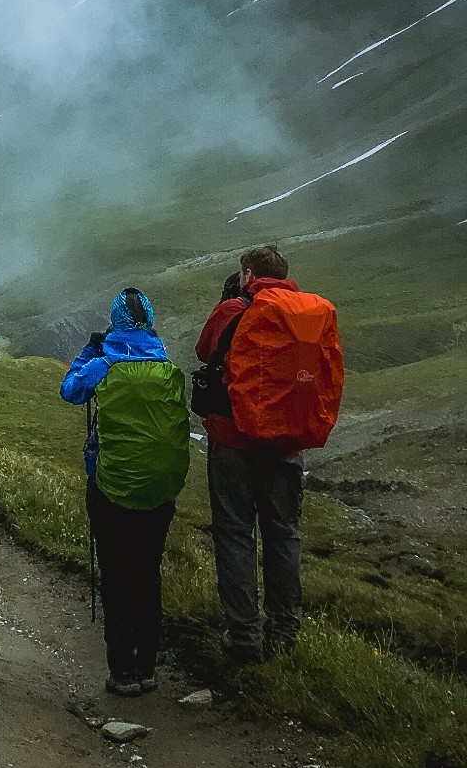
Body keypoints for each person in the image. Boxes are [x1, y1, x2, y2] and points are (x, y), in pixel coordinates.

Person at [194, 243, 343, 663]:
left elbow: (206, 351)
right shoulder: (310, 313)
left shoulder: (236, 309)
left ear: (247, 274)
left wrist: (228, 304)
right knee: (283, 534)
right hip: (288, 445)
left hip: (234, 439)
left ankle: (243, 635)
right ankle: (284, 633)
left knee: (236, 532)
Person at [60, 288, 190, 696]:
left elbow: (70, 390)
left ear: (115, 322)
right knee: (147, 573)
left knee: (116, 576)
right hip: (159, 492)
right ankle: (148, 668)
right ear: (149, 322)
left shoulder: (103, 365)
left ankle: (122, 672)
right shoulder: (167, 368)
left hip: (112, 489)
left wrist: (88, 349)